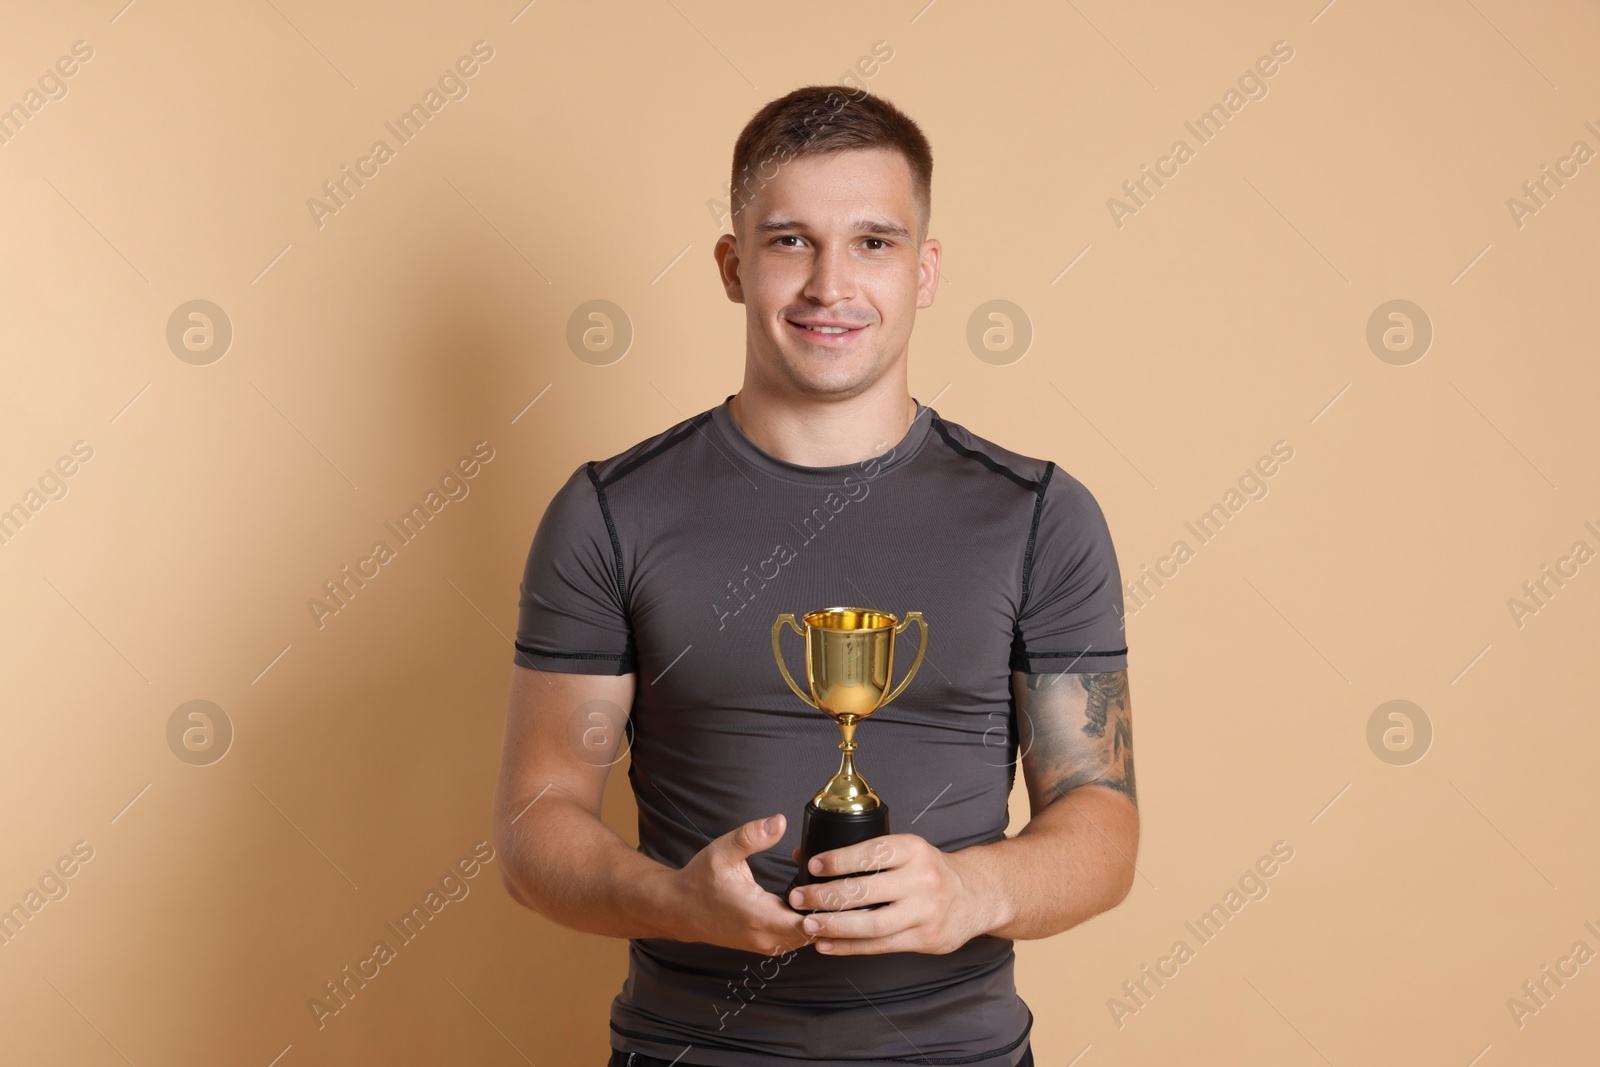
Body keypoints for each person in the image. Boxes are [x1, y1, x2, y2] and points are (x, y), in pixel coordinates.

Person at [493, 84, 1138, 1067]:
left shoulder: (1039, 514)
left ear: (924, 271)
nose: (830, 284)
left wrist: (970, 889)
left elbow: (1100, 818)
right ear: (732, 264)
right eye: (790, 239)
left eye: (873, 242)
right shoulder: (611, 510)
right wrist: (675, 900)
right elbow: (539, 821)